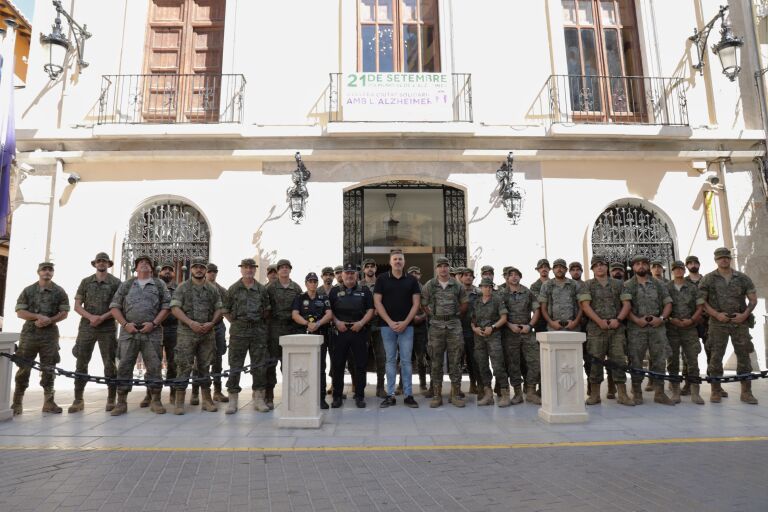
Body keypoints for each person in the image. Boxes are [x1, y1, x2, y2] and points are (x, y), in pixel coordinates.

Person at [109, 256, 170, 416]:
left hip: (152, 332)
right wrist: (125, 324)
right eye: (140, 263)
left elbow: (166, 307)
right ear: (136, 268)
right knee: (124, 366)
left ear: (152, 268)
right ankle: (121, 402)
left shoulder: (159, 284)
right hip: (129, 333)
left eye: (147, 263)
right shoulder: (127, 284)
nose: (144, 265)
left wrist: (154, 323)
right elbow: (115, 307)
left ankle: (155, 400)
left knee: (155, 366)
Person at [698, 247, 759, 404]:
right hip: (718, 323)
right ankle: (716, 391)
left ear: (730, 259)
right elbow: (701, 301)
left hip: (740, 322)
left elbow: (753, 299)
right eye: (720, 258)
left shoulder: (742, 278)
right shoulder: (708, 279)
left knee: (744, 356)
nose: (723, 260)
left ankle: (746, 392)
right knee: (716, 356)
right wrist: (717, 314)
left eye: (726, 257)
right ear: (716, 260)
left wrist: (744, 315)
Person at [12, 262, 70, 415]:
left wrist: (50, 320)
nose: (47, 272)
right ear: (38, 272)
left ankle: (49, 403)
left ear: (53, 273)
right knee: (24, 367)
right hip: (30, 334)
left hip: (49, 335)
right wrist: (37, 316)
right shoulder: (29, 290)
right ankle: (17, 402)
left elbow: (64, 312)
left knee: (49, 368)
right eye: (44, 269)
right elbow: (20, 312)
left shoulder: (59, 291)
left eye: (50, 270)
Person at [578, 255, 634, 406]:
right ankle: (595, 394)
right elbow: (585, 306)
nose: (600, 267)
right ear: (592, 269)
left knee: (618, 361)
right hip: (596, 330)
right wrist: (599, 321)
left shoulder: (618, 284)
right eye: (596, 265)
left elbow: (626, 304)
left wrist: (618, 320)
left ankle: (622, 394)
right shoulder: (587, 285)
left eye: (602, 264)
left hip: (616, 329)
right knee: (595, 361)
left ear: (606, 267)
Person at [170, 257, 224, 414]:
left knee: (205, 366)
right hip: (187, 333)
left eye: (202, 267)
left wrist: (212, 323)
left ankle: (206, 400)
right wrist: (190, 322)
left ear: (205, 270)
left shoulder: (212, 289)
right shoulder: (182, 288)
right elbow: (175, 308)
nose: (199, 270)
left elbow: (219, 308)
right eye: (196, 267)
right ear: (191, 269)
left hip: (207, 333)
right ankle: (180, 402)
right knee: (184, 366)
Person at [69, 252, 121, 413]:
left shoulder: (116, 283)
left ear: (109, 264)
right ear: (95, 264)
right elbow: (77, 305)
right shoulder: (85, 282)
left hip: (107, 328)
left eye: (104, 261)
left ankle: (111, 398)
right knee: (81, 362)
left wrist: (102, 317)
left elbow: (118, 305)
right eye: (99, 261)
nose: (101, 263)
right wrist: (91, 317)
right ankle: (78, 399)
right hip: (87, 327)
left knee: (110, 364)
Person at [621, 254, 674, 405]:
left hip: (657, 327)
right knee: (635, 360)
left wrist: (661, 319)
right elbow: (626, 306)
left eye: (644, 263)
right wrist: (637, 320)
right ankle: (637, 393)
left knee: (659, 359)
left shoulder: (658, 284)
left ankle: (660, 393)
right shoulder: (628, 285)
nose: (641, 266)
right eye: (637, 264)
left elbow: (668, 303)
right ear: (633, 267)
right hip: (636, 328)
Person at [374, 249, 422, 408]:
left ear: (404, 261)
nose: (398, 262)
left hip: (407, 327)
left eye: (400, 259)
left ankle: (408, 395)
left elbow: (416, 303)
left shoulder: (411, 280)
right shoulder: (381, 279)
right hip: (387, 327)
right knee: (390, 360)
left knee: (407, 361)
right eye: (395, 259)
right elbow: (377, 302)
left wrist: (405, 322)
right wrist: (389, 321)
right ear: (390, 262)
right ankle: (390, 395)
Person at [222, 258, 271, 414]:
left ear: (255, 270)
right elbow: (225, 310)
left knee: (259, 365)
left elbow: (266, 310)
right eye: (246, 268)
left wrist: (257, 322)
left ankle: (258, 398)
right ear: (241, 269)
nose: (249, 270)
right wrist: (236, 322)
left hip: (258, 331)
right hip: (239, 332)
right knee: (235, 365)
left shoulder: (261, 289)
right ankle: (233, 400)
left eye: (251, 268)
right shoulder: (234, 289)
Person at [421, 257, 468, 408]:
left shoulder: (457, 285)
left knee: (455, 361)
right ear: (436, 269)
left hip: (454, 326)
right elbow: (423, 303)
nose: (443, 269)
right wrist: (433, 315)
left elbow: (464, 303)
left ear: (449, 268)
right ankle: (437, 395)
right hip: (436, 327)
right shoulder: (430, 285)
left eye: (445, 266)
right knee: (436, 361)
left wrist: (455, 314)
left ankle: (455, 394)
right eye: (440, 266)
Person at [329, 263, 375, 408]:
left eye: (352, 273)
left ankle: (360, 395)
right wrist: (337, 322)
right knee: (338, 365)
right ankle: (337, 396)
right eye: (346, 273)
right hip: (340, 332)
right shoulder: (334, 291)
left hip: (359, 331)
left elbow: (370, 310)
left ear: (356, 275)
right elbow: (329, 311)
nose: (349, 275)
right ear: (342, 275)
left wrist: (361, 323)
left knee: (360, 365)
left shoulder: (365, 290)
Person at [292, 272, 333, 409]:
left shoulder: (323, 298)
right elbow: (295, 314)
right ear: (306, 283)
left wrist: (318, 323)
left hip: (320, 335)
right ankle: (304, 396)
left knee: (320, 367)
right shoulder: (299, 298)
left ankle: (321, 398)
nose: (313, 283)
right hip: (304, 335)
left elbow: (329, 314)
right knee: (304, 368)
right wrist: (307, 323)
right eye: (310, 281)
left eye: (315, 281)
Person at [266, 259, 303, 409]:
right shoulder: (270, 288)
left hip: (291, 329)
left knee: (290, 364)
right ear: (278, 270)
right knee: (271, 363)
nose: (284, 270)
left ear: (290, 270)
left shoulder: (296, 288)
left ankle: (292, 395)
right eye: (281, 268)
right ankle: (269, 396)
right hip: (274, 329)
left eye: (287, 267)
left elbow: (301, 308)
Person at [500, 267, 540, 405]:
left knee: (535, 362)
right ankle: (517, 393)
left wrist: (530, 326)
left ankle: (531, 392)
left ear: (520, 277)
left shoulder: (527, 292)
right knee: (513, 364)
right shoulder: (502, 293)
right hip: (510, 333)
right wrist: (510, 325)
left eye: (516, 275)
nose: (514, 277)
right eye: (511, 275)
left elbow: (536, 310)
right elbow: (499, 314)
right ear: (506, 278)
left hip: (527, 332)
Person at [666, 260, 705, 404]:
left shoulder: (692, 287)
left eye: (680, 269)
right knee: (673, 361)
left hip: (689, 328)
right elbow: (661, 307)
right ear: (672, 271)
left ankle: (695, 393)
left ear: (684, 270)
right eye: (675, 269)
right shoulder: (666, 287)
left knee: (692, 360)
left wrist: (692, 320)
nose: (678, 271)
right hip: (672, 329)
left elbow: (700, 306)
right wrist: (671, 319)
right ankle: (675, 392)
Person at [472, 278, 509, 406]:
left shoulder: (497, 300)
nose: (487, 289)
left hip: (493, 335)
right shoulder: (476, 302)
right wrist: (474, 328)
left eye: (489, 287)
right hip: (479, 337)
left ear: (492, 288)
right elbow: (473, 319)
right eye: (484, 286)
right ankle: (488, 394)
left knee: (498, 365)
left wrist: (492, 327)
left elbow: (504, 318)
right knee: (482, 365)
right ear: (480, 288)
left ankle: (505, 394)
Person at [360, 258, 386, 398]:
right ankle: (360, 387)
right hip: (364, 326)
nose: (370, 269)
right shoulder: (359, 286)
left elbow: (387, 301)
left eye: (372, 266)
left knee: (381, 357)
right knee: (361, 357)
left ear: (376, 268)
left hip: (379, 325)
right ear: (363, 270)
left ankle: (380, 387)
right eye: (367, 266)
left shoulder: (381, 284)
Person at [204, 263, 229, 404]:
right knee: (201, 360)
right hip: (201, 327)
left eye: (215, 271)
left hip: (218, 327)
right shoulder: (198, 287)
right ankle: (197, 392)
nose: (212, 274)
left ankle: (217, 391)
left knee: (218, 359)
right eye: (210, 271)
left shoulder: (222, 290)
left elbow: (227, 308)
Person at [158, 263, 179, 403]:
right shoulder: (154, 286)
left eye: (170, 270)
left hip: (174, 329)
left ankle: (173, 392)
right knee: (153, 362)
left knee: (173, 362)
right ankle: (151, 394)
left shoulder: (179, 289)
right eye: (165, 269)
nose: (167, 272)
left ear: (174, 273)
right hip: (155, 328)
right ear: (160, 272)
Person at [408, 266, 430, 394]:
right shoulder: (404, 288)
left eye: (417, 273)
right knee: (405, 358)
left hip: (421, 327)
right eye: (412, 273)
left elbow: (430, 307)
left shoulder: (425, 289)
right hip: (407, 326)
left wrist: (421, 317)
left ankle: (422, 385)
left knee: (421, 357)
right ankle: (402, 384)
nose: (415, 275)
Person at [459, 267, 481, 395]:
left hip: (473, 331)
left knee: (474, 360)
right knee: (457, 360)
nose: (468, 277)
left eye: (470, 275)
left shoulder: (478, 293)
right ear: (461, 277)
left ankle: (474, 384)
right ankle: (457, 388)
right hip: (458, 330)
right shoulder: (456, 291)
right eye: (465, 275)